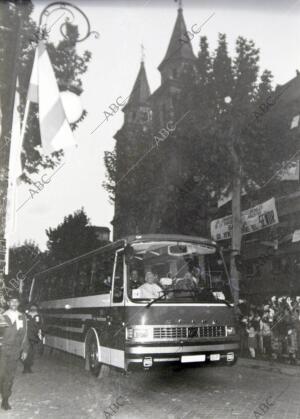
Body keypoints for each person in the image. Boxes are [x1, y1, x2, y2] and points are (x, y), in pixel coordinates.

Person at [0, 292, 29, 410]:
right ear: (8, 303)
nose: (14, 303)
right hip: (2, 350)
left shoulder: (22, 317)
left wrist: (25, 350)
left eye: (16, 301)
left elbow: (24, 335)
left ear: (18, 303)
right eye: (11, 301)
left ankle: (5, 400)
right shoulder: (2, 316)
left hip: (15, 350)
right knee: (1, 374)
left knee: (10, 375)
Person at [23, 305, 42, 374]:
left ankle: (29, 367)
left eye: (35, 308)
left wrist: (40, 335)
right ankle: (25, 367)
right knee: (25, 352)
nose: (33, 309)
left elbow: (41, 326)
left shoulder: (39, 316)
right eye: (32, 308)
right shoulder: (26, 316)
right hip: (26, 337)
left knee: (32, 353)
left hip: (34, 338)